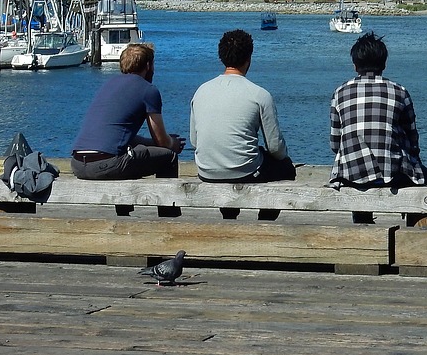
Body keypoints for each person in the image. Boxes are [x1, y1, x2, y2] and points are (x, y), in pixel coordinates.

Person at [189, 29, 295, 219]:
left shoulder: (201, 91)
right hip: (244, 171)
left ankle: (229, 217)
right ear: (249, 58)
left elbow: (195, 142)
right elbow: (275, 147)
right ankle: (265, 219)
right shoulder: (259, 95)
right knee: (286, 168)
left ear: (221, 56)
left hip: (206, 170)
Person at [330, 31, 427, 222]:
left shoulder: (340, 93)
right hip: (392, 173)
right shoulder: (400, 92)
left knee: (358, 179)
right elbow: (412, 139)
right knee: (426, 177)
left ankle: (362, 223)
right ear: (384, 64)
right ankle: (413, 226)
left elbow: (335, 144)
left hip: (351, 174)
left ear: (355, 65)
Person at [70, 42, 183, 180]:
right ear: (148, 66)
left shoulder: (108, 85)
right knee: (168, 157)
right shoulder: (148, 90)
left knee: (132, 156)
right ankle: (166, 201)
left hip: (77, 164)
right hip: (106, 164)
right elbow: (162, 142)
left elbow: (122, 137)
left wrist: (152, 143)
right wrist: (173, 143)